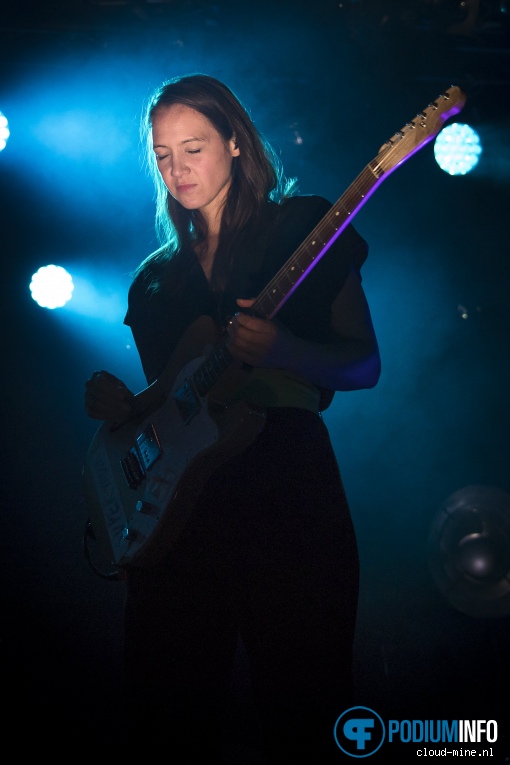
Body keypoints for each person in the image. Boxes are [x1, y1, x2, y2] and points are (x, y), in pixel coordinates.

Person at [84, 73, 381, 764]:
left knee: (305, 700)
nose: (177, 169)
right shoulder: (154, 279)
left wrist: (286, 348)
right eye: (162, 155)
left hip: (286, 482)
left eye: (193, 147)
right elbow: (170, 400)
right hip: (183, 511)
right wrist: (124, 407)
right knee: (164, 711)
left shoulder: (303, 225)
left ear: (237, 144)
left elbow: (364, 365)